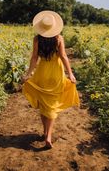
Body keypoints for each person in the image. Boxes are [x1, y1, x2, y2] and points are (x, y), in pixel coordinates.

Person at [22, 10, 80, 149]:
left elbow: (34, 58)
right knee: (52, 105)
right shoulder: (59, 39)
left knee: (43, 104)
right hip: (56, 74)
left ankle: (44, 132)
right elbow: (64, 56)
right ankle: (48, 136)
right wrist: (70, 74)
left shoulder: (37, 39)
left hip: (42, 73)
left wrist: (29, 74)